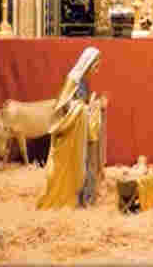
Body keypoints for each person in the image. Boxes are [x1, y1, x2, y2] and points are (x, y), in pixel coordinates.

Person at [37, 47, 107, 210]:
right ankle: (70, 199)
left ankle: (85, 198)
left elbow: (83, 104)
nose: (97, 70)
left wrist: (95, 105)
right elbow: (64, 106)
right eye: (96, 66)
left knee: (86, 162)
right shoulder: (73, 80)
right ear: (88, 64)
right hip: (69, 135)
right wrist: (84, 108)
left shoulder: (83, 81)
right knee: (71, 171)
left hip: (80, 131)